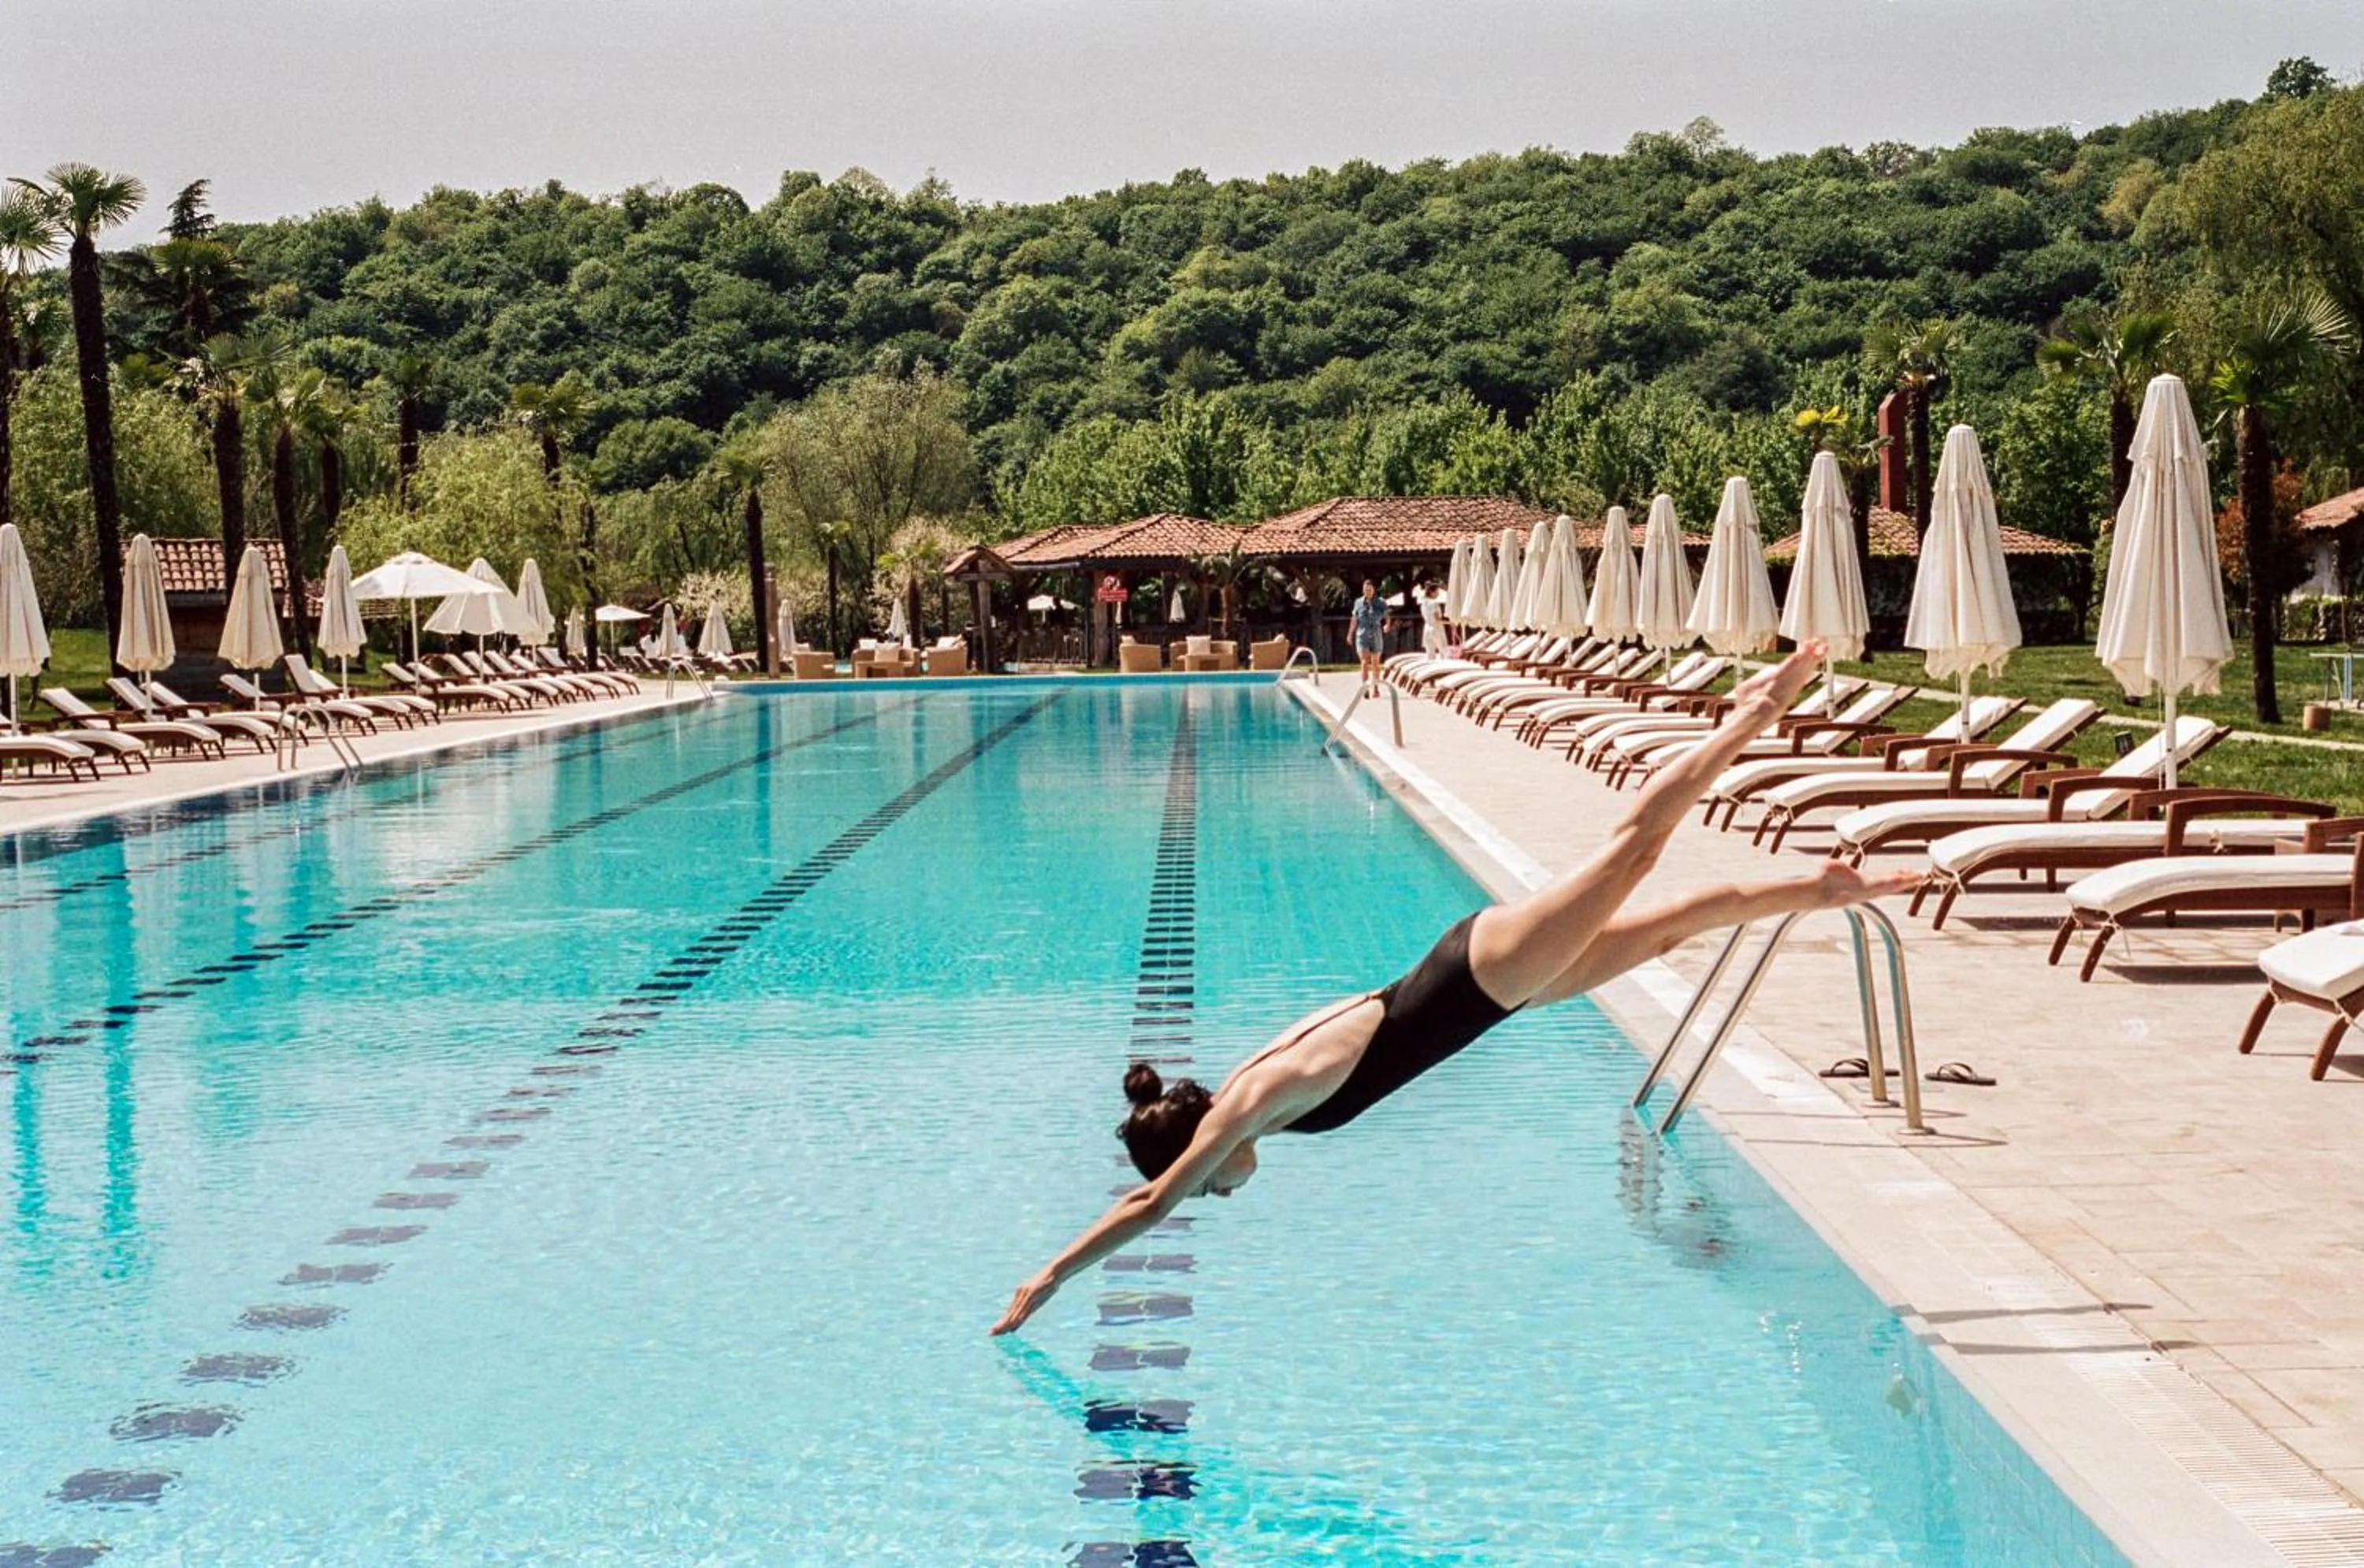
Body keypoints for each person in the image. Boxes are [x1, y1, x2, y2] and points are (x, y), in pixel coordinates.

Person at [991, 645, 1919, 1336]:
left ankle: (1750, 714)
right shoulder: (1250, 1104)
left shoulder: (1247, 1107)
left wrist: (1051, 1277)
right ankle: (1826, 886)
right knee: (1672, 921)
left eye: (1205, 1189)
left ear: (1198, 1150)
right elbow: (1157, 1194)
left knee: (1632, 848)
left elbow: (1144, 1207)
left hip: (1478, 973)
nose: (1219, 1196)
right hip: (1489, 990)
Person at [1349, 579, 1388, 693]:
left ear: (1373, 590)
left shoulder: (1380, 602)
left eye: (1370, 590)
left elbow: (1387, 616)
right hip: (1362, 634)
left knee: (1375, 663)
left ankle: (1375, 688)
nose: (1368, 592)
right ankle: (1365, 688)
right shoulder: (1358, 603)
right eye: (1366, 590)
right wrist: (1350, 634)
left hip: (1376, 634)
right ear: (1363, 590)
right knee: (1365, 662)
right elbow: (1354, 619)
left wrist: (1387, 625)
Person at [1414, 577, 1449, 655]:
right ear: (1431, 592)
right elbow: (1437, 619)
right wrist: (1450, 623)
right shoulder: (1434, 604)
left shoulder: (1423, 604)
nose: (1438, 594)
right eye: (1437, 592)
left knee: (1430, 654)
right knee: (1444, 652)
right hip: (1436, 629)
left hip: (1427, 628)